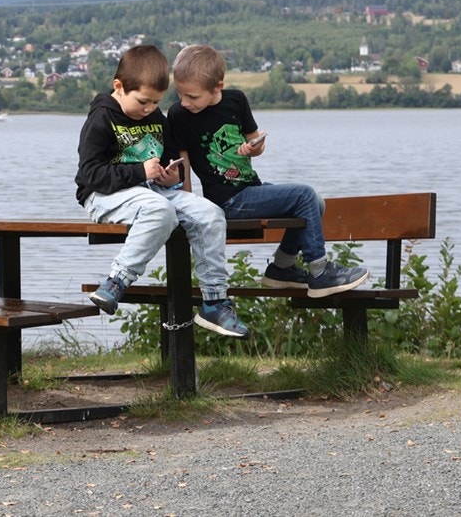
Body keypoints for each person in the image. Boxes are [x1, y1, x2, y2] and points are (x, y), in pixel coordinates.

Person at [164, 44, 370, 296]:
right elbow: (182, 163)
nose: (184, 102)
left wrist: (254, 149)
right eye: (180, 94)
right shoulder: (177, 115)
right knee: (304, 195)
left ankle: (282, 268)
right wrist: (189, 207)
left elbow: (258, 142)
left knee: (315, 201)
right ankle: (319, 272)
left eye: (192, 97)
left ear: (217, 86)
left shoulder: (236, 100)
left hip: (250, 189)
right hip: (226, 201)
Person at [76, 44, 249, 337]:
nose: (149, 110)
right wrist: (139, 171)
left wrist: (172, 177)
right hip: (104, 195)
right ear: (119, 87)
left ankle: (214, 302)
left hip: (153, 192)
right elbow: (89, 174)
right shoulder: (102, 117)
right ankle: (116, 281)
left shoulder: (156, 119)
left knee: (211, 214)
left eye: (156, 103)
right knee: (161, 210)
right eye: (143, 101)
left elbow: (172, 162)